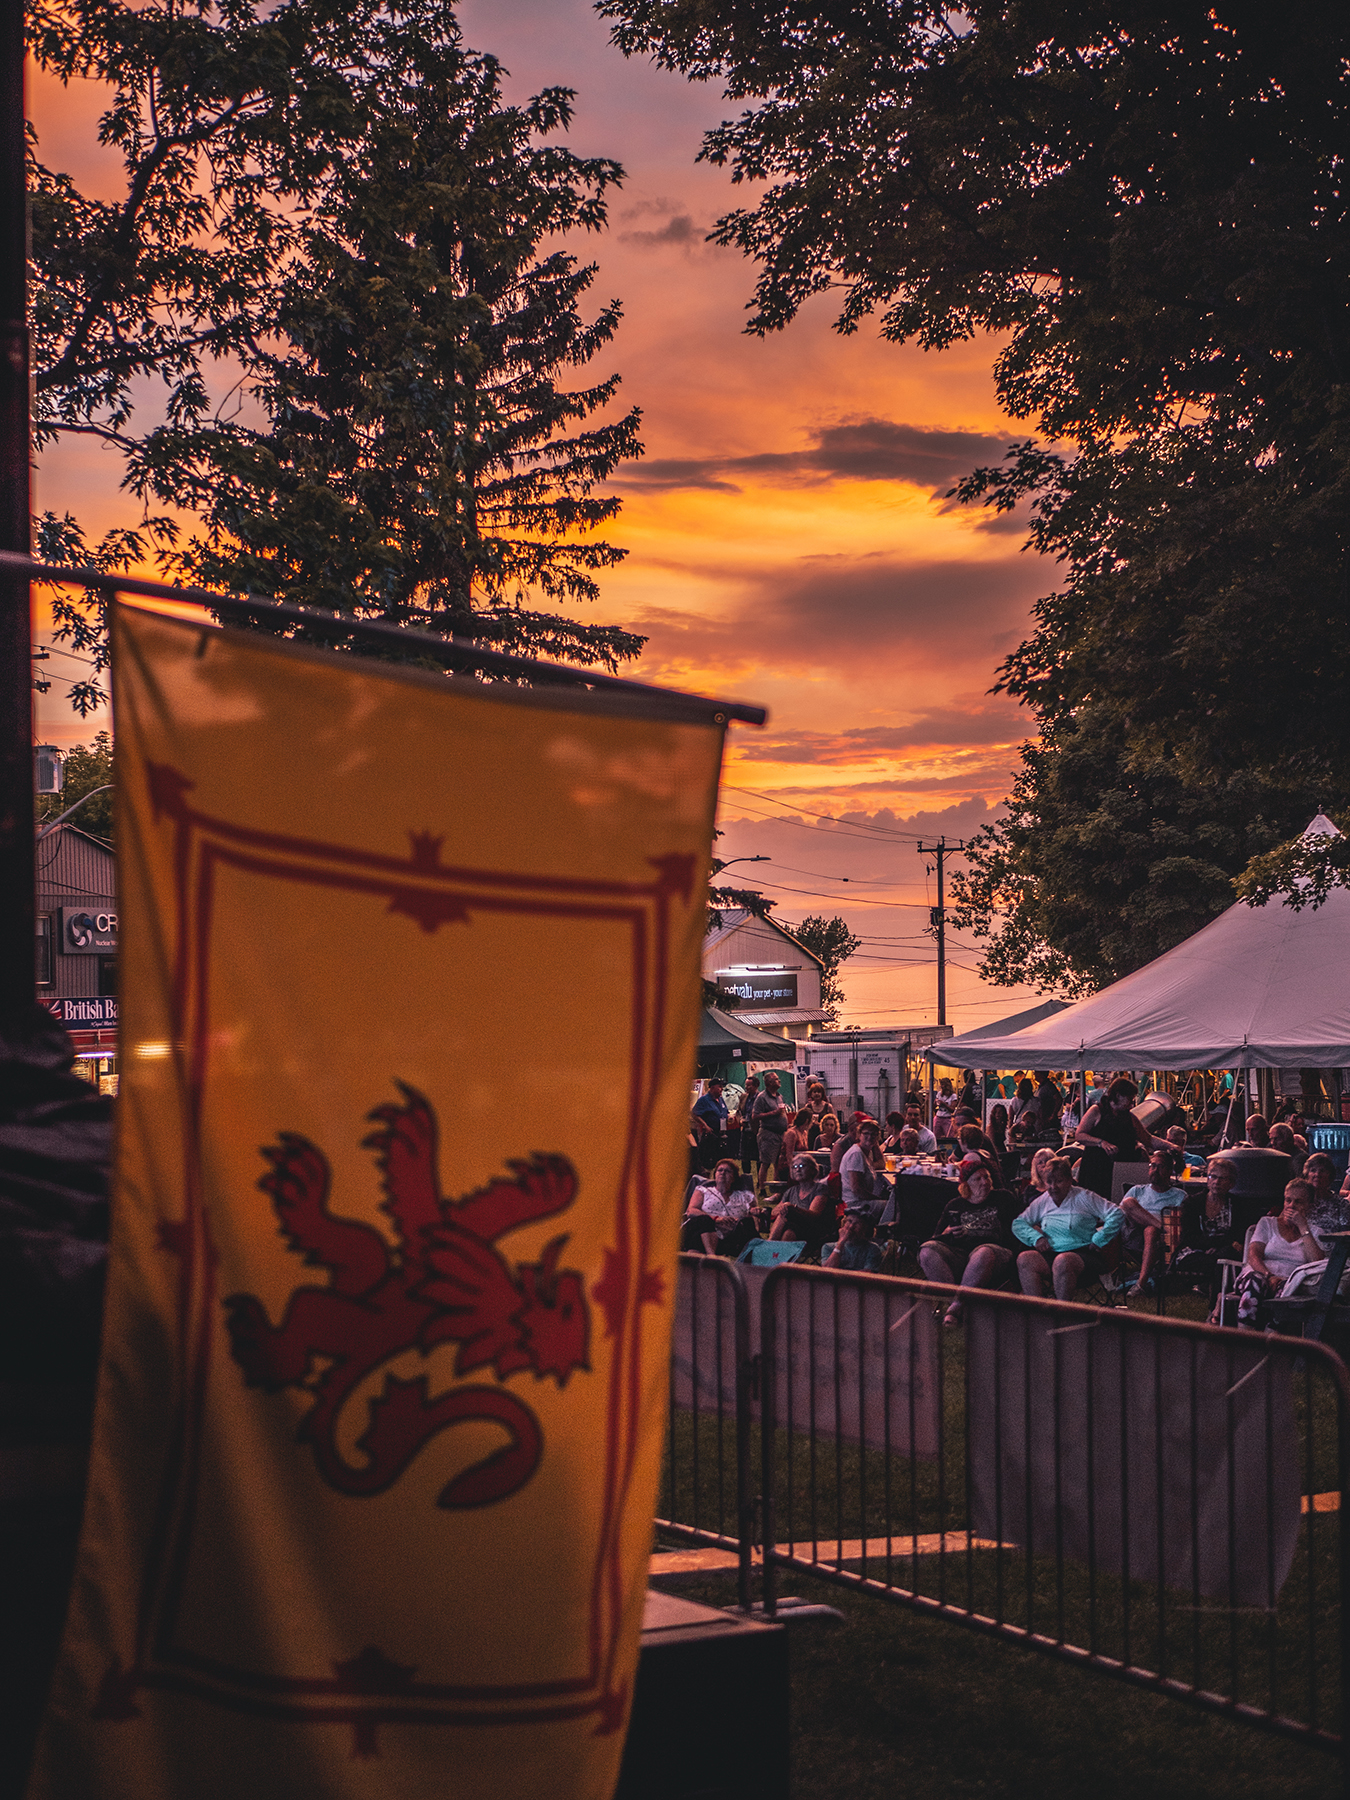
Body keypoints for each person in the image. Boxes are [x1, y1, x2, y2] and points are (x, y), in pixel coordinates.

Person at [919, 1163, 1020, 1325]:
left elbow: (1017, 1230)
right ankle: (958, 1304)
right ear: (966, 1184)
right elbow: (936, 1238)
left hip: (995, 1253)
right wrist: (947, 1234)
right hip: (961, 1253)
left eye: (986, 1177)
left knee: (982, 1253)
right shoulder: (955, 1205)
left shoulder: (1003, 1198)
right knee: (927, 1251)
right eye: (978, 1179)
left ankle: (955, 1308)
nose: (984, 1182)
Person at [1013, 1157, 1124, 1302]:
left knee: (1063, 1261)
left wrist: (1100, 1238)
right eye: (1049, 1182)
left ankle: (1063, 1313)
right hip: (1052, 1252)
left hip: (1084, 1253)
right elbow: (1018, 1223)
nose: (1053, 1187)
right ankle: (1036, 1312)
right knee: (1025, 1258)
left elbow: (1117, 1213)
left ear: (1069, 1180)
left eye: (1059, 1181)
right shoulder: (1043, 1201)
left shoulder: (1084, 1197)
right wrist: (1036, 1238)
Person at [1235, 1180, 1322, 1325]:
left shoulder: (1315, 1232)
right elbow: (1253, 1255)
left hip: (1289, 1281)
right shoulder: (1267, 1223)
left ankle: (1273, 1340)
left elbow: (1317, 1263)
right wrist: (1269, 1276)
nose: (1291, 1206)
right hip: (1259, 1273)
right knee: (1255, 1282)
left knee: (1287, 1292)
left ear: (1310, 1207)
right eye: (1288, 1200)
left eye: (1299, 1202)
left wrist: (1302, 1226)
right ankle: (1245, 1339)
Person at [1073, 1078, 1171, 1200]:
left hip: (1122, 1168)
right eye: (1130, 1099)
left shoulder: (1130, 1117)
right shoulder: (1097, 1111)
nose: (1131, 1104)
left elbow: (1148, 1139)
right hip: (1097, 1169)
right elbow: (1080, 1135)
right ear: (1118, 1095)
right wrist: (1101, 1143)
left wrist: (1169, 1146)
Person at [1171, 1160, 1242, 1315]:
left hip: (1221, 1254)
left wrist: (1218, 1248)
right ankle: (1218, 1309)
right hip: (1193, 1252)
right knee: (1224, 1261)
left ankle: (1215, 1311)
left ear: (1231, 1183)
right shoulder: (1192, 1202)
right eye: (1212, 1177)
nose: (1216, 1182)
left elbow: (1238, 1234)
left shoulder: (1237, 1204)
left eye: (1222, 1178)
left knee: (1224, 1260)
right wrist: (1217, 1244)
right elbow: (1189, 1237)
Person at [1118, 1148, 1188, 1295]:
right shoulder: (1137, 1190)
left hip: (1162, 1240)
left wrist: (1157, 1227)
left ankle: (1141, 1284)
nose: (1155, 1170)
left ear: (1170, 1171)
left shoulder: (1179, 1195)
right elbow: (1119, 1212)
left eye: (1160, 1166)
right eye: (1152, 1166)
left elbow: (1181, 1223)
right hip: (1131, 1234)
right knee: (1128, 1202)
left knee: (1150, 1230)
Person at [680, 1158, 759, 1256]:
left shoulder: (744, 1195)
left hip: (733, 1236)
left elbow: (752, 1215)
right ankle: (711, 1256)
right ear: (715, 1175)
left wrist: (747, 1215)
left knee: (747, 1224)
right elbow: (691, 1210)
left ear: (734, 1177)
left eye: (728, 1171)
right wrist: (716, 1219)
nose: (723, 1173)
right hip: (705, 1232)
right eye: (720, 1170)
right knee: (703, 1220)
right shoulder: (704, 1191)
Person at [769, 1152, 838, 1251]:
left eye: (802, 1166)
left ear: (812, 1169)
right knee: (785, 1219)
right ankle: (774, 1251)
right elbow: (774, 1211)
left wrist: (794, 1209)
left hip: (814, 1231)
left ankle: (771, 1250)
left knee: (789, 1227)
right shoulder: (791, 1191)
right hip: (791, 1228)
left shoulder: (820, 1189)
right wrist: (785, 1208)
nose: (798, 1169)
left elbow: (814, 1214)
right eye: (794, 1167)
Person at [839, 1119, 888, 1219]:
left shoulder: (866, 1152)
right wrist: (876, 1198)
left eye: (874, 1134)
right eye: (866, 1133)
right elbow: (856, 1189)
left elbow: (881, 1163)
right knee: (891, 1207)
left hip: (860, 1200)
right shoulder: (856, 1154)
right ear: (859, 1135)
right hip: (854, 1203)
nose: (870, 1137)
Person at [751, 1071, 792, 1191]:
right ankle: (762, 1188)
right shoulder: (762, 1097)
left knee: (778, 1162)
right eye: (776, 1079)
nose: (779, 1081)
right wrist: (774, 1113)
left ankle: (776, 1186)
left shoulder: (779, 1096)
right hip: (768, 1133)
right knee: (766, 1162)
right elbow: (755, 1115)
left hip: (781, 1134)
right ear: (768, 1082)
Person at [1303, 1152, 1350, 1248]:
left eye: (1322, 1171)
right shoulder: (1299, 1202)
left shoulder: (1341, 1205)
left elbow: (1345, 1238)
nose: (1317, 1174)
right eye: (1313, 1170)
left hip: (1330, 1253)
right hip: (1300, 1251)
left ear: (1330, 1175)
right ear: (1307, 1175)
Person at [691, 1077, 729, 1171]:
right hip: (710, 1134)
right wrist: (705, 1125)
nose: (722, 1089)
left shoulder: (720, 1099)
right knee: (708, 1162)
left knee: (721, 1160)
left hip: (722, 1133)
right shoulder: (704, 1100)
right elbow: (694, 1114)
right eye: (719, 1087)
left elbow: (725, 1112)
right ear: (712, 1088)